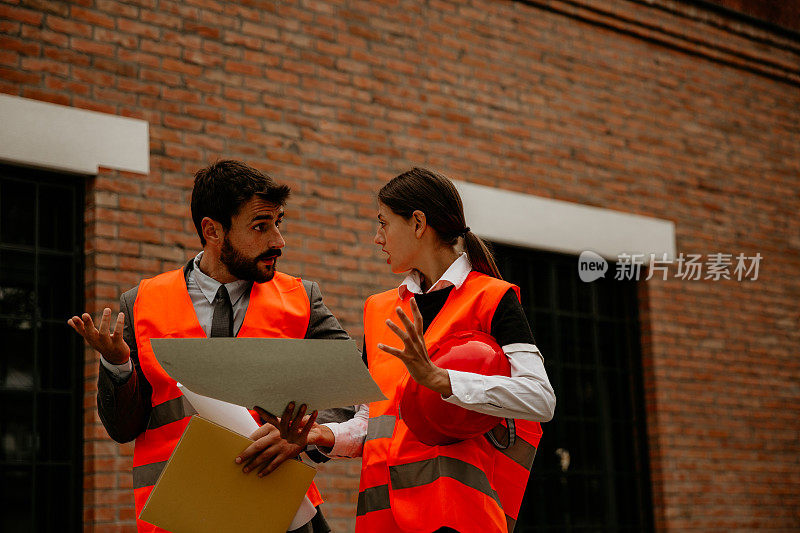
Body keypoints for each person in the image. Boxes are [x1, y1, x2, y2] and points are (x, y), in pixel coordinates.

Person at [68, 160, 349, 533]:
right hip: (179, 517)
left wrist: (302, 438)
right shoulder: (139, 303)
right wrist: (119, 366)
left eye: (278, 223)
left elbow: (351, 393)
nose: (278, 241)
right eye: (261, 226)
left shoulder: (302, 299)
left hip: (279, 513)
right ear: (212, 231)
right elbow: (123, 428)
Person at [270, 167, 557, 532]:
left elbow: (541, 398)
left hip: (457, 517)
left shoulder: (492, 298)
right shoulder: (378, 310)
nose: (377, 238)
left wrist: (442, 380)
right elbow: (372, 422)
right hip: (380, 519)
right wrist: (321, 435)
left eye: (383, 223)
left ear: (418, 223)